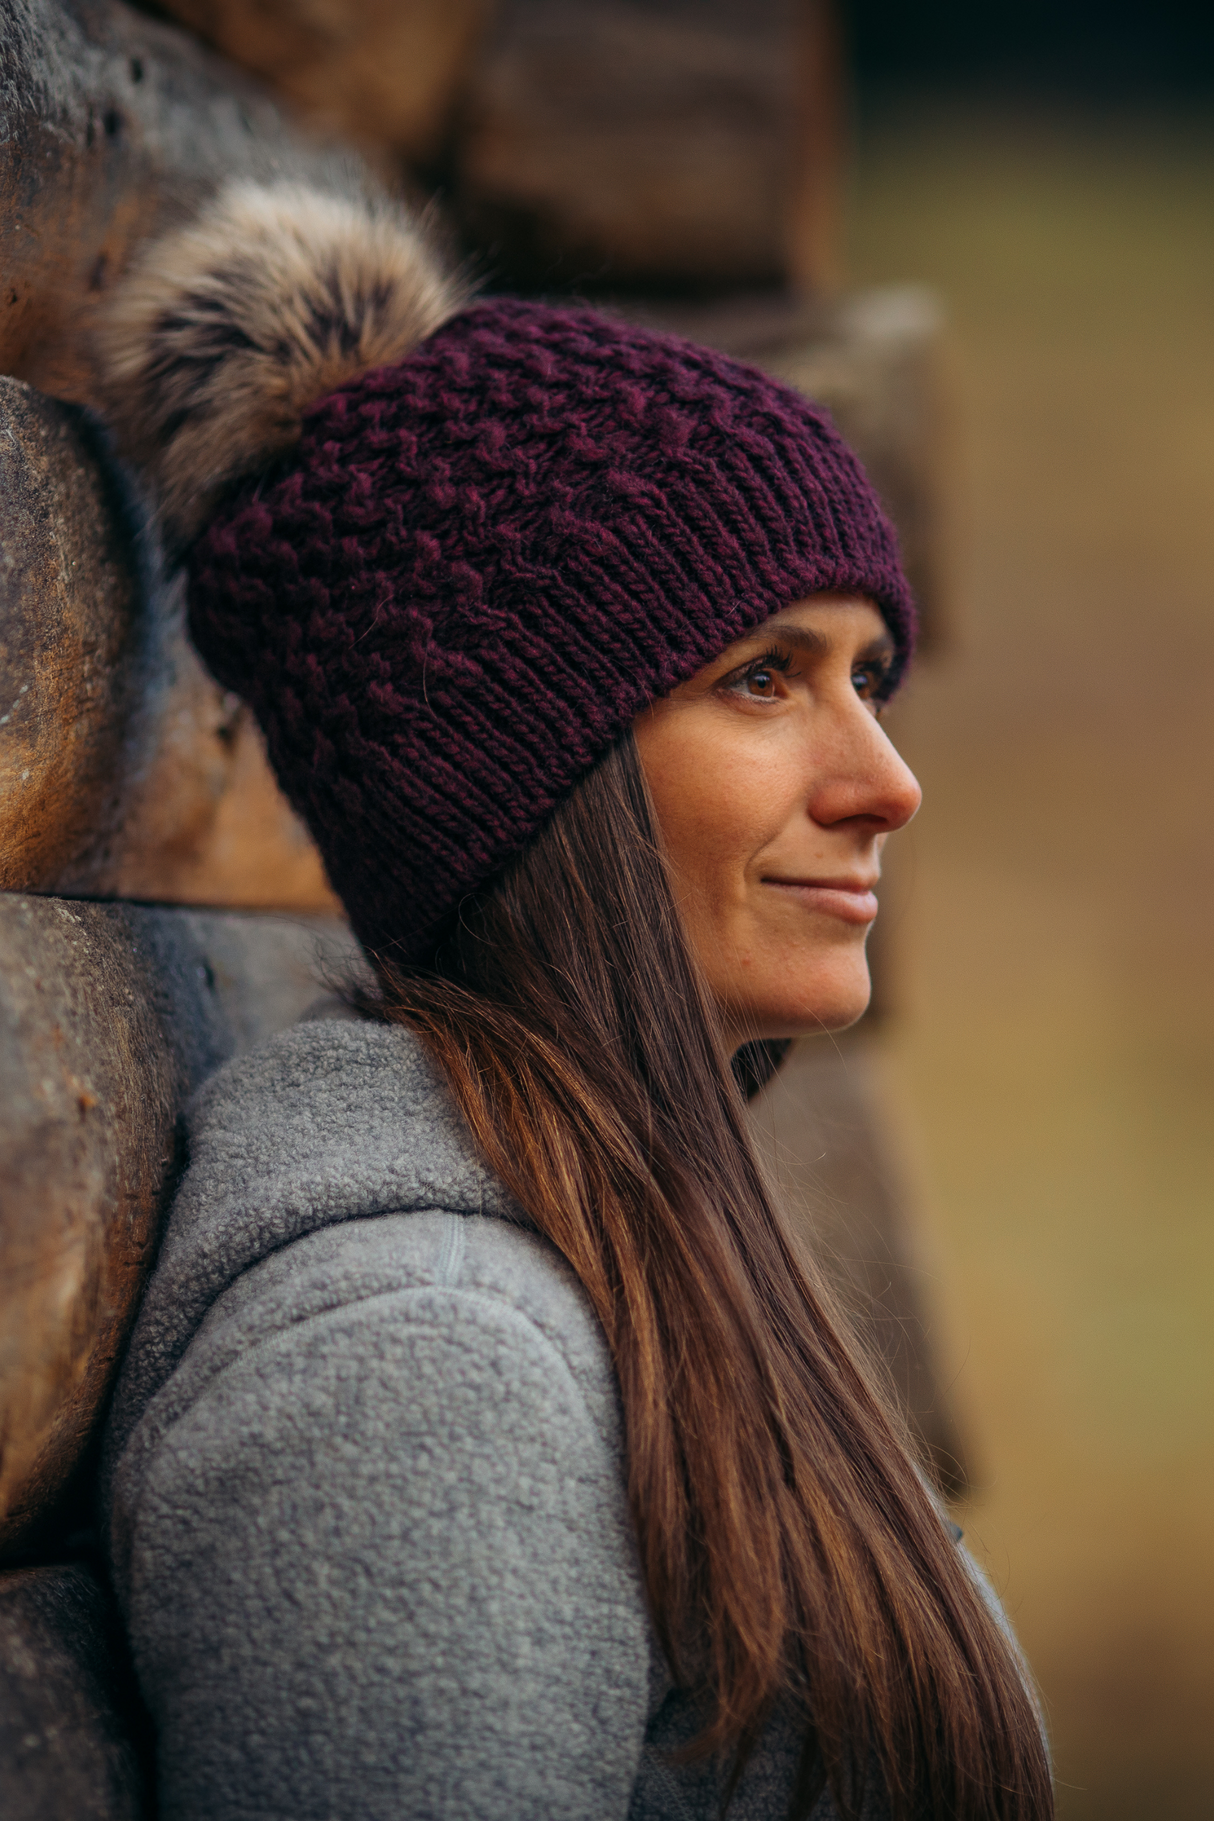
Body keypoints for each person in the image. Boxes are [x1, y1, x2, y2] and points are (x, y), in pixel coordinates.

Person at [99, 180, 1052, 1821]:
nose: (885, 783)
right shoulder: (425, 1373)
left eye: (866, 680)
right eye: (761, 678)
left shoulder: (617, 1266)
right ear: (527, 778)